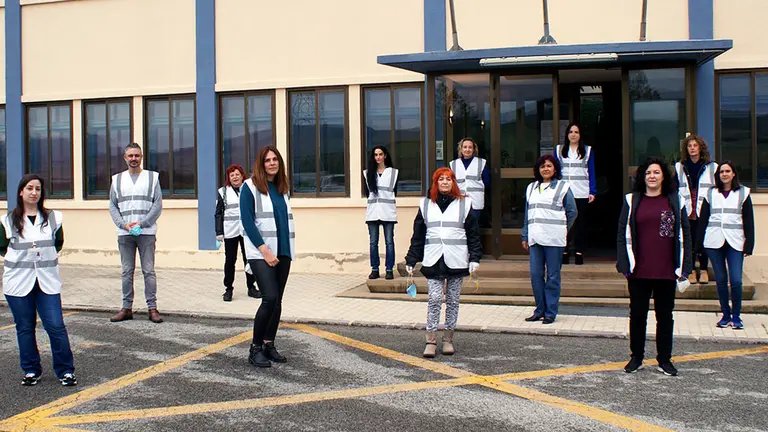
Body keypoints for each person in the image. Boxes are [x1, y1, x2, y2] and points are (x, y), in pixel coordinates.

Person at [617, 157, 692, 376]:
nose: (652, 176)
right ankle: (636, 357)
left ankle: (664, 359)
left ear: (664, 176)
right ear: (642, 176)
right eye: (648, 172)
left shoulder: (676, 201)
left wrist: (685, 267)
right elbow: (622, 234)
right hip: (638, 271)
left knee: (665, 317)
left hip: (667, 271)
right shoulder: (631, 200)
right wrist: (624, 263)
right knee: (638, 315)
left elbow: (685, 235)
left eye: (656, 172)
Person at [1, 174, 76, 386]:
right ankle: (31, 370)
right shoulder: (7, 221)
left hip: (47, 281)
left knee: (55, 325)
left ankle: (65, 371)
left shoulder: (53, 218)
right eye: (30, 188)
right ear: (21, 192)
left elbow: (58, 243)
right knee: (24, 327)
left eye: (38, 189)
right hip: (18, 282)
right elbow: (2, 248)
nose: (34, 192)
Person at [405, 167, 481, 358]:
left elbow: (473, 234)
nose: (445, 182)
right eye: (441, 179)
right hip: (434, 258)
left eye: (449, 179)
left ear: (453, 182)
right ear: (436, 183)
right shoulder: (425, 205)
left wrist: (474, 258)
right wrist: (412, 258)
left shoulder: (465, 204)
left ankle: (448, 339)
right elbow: (418, 235)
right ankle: (430, 341)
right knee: (435, 299)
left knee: (453, 301)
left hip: (457, 259)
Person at [241, 145, 295, 368]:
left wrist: (282, 252)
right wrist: (265, 251)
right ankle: (255, 349)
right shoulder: (249, 187)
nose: (272, 163)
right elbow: (247, 221)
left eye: (275, 160)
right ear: (261, 164)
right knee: (269, 298)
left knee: (278, 302)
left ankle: (268, 343)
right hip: (260, 252)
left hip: (283, 251)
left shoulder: (282, 188)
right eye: (267, 160)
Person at [108, 143, 164, 323]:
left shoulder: (152, 178)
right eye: (130, 156)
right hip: (125, 234)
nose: (133, 159)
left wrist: (142, 223)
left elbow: (157, 204)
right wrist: (124, 225)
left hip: (146, 232)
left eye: (137, 156)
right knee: (126, 271)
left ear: (141, 157)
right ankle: (126, 308)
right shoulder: (116, 180)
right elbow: (113, 206)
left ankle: (152, 308)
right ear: (125, 158)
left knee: (148, 271)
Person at [696, 162, 754, 330]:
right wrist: (698, 245)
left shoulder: (743, 193)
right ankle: (725, 315)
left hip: (735, 242)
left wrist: (749, 244)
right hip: (714, 242)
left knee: (735, 280)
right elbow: (703, 220)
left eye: (728, 171)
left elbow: (748, 221)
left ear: (734, 174)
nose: (724, 174)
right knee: (721, 280)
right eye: (722, 171)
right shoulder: (711, 193)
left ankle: (736, 316)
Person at [521, 155, 578, 324]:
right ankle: (539, 310)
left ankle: (551, 312)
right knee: (535, 274)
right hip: (535, 238)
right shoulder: (531, 188)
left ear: (555, 169)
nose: (545, 169)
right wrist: (525, 235)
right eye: (542, 166)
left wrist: (562, 228)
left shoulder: (563, 187)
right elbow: (527, 214)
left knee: (553, 276)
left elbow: (572, 212)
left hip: (554, 239)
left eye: (549, 166)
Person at [675, 135, 717, 284]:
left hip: (703, 206)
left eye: (695, 145)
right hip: (686, 206)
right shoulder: (680, 166)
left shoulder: (711, 166)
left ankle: (704, 269)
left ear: (700, 148)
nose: (692, 148)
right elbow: (675, 187)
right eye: (689, 146)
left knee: (703, 238)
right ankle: (691, 270)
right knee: (689, 239)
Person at [215, 164, 260, 301]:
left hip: (247, 230)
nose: (235, 177)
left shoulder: (249, 189)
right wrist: (219, 231)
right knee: (230, 261)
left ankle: (251, 287)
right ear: (229, 178)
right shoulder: (223, 192)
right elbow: (218, 213)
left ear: (242, 176)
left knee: (250, 258)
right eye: (232, 175)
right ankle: (228, 289)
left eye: (237, 174)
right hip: (230, 231)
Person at [555, 122, 596, 265]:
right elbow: (556, 171)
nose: (573, 134)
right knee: (564, 223)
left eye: (576, 132)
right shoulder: (559, 150)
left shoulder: (587, 151)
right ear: (567, 134)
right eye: (571, 132)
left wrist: (593, 191)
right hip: (565, 192)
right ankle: (564, 251)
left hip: (581, 191)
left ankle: (579, 252)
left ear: (580, 135)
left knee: (580, 224)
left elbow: (591, 172)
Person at [363, 146, 398, 280]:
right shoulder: (368, 173)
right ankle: (375, 269)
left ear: (385, 156)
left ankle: (389, 269)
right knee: (373, 242)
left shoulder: (393, 173)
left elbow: (395, 191)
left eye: (380, 154)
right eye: (375, 155)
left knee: (389, 242)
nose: (378, 157)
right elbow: (367, 193)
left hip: (388, 212)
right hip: (373, 213)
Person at [449, 137, 490, 222]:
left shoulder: (481, 163)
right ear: (461, 149)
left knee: (474, 229)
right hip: (458, 202)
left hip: (475, 203)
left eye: (470, 147)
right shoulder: (454, 164)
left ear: (474, 149)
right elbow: (450, 184)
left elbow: (487, 182)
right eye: (465, 147)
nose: (467, 149)